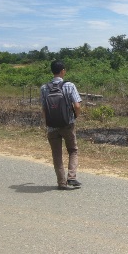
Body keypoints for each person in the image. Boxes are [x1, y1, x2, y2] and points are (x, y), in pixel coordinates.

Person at [41, 60, 82, 190]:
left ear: (52, 71)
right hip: (67, 124)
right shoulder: (69, 86)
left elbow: (44, 109)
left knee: (57, 155)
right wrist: (75, 116)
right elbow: (77, 105)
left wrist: (47, 123)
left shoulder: (44, 88)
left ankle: (61, 183)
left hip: (52, 126)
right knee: (73, 150)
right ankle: (71, 177)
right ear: (63, 71)